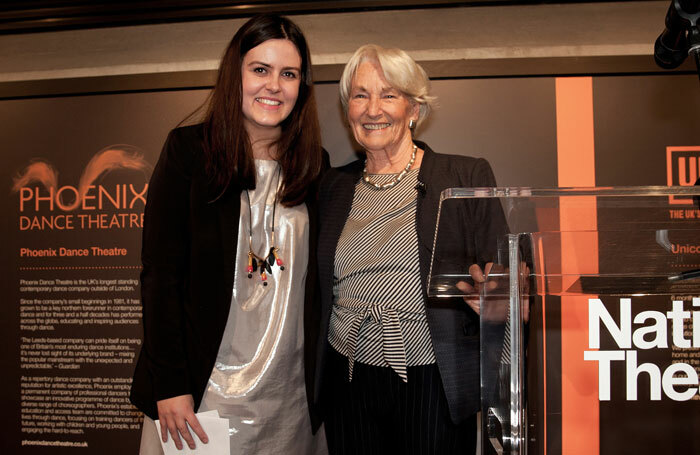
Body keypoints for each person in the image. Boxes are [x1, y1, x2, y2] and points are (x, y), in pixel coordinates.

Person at [130, 14, 327, 455]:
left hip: (290, 403)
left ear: (302, 86)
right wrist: (171, 385)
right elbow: (160, 279)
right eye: (260, 69)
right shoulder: (187, 154)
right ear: (234, 75)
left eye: (288, 74)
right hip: (201, 400)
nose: (273, 85)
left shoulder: (316, 166)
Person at [313, 44, 507, 454]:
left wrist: (500, 296)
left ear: (414, 109)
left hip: (431, 379)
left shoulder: (464, 176)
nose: (372, 109)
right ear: (348, 111)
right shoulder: (331, 186)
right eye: (360, 95)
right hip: (347, 378)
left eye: (389, 94)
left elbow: (502, 281)